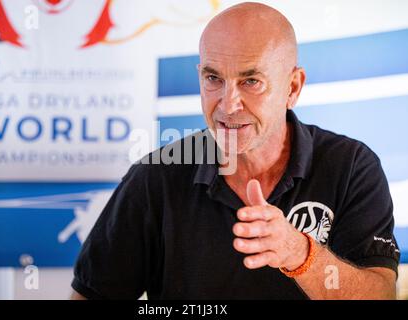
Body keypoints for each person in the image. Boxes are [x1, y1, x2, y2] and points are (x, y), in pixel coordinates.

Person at [70, 2, 400, 299]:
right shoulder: (155, 176)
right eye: (213, 78)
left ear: (293, 87)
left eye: (250, 81)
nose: (228, 105)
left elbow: (381, 295)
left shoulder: (351, 165)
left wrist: (300, 254)